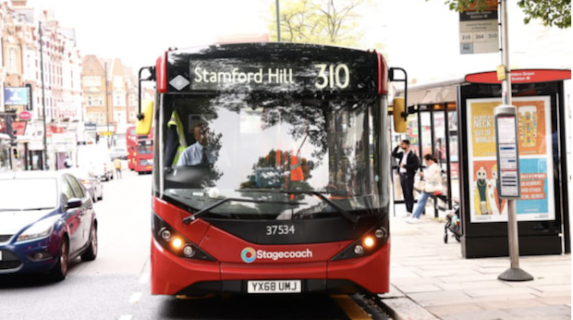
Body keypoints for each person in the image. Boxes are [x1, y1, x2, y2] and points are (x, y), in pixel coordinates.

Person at [408, 154, 442, 223]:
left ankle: (415, 216)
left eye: (426, 161)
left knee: (421, 201)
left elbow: (429, 177)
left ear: (429, 160)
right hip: (431, 186)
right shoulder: (435, 166)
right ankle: (415, 216)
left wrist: (423, 174)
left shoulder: (433, 167)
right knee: (422, 201)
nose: (426, 163)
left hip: (430, 187)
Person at [392, 140, 420, 215]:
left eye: (403, 144)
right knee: (404, 192)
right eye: (401, 144)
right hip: (402, 175)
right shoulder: (402, 154)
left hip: (409, 175)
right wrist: (397, 146)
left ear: (408, 145)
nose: (402, 146)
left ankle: (410, 210)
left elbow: (416, 166)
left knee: (409, 193)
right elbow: (393, 154)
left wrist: (405, 166)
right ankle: (407, 210)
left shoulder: (412, 155)